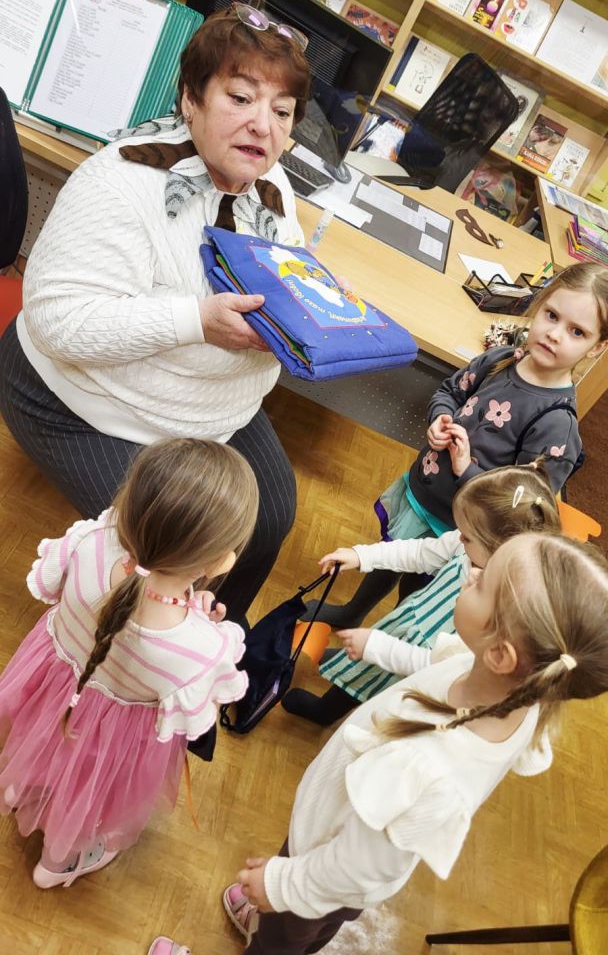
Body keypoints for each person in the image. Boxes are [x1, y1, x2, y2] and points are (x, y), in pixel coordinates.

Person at [150, 532, 608, 955]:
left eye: (483, 582)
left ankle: (272, 932)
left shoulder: (428, 772)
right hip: (336, 837)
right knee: (299, 928)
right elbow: (432, 664)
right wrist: (379, 648)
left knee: (282, 942)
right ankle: (275, 925)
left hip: (328, 867)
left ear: (501, 654)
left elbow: (356, 868)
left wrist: (283, 885)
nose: (471, 572)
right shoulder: (519, 693)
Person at [0, 4, 311, 623]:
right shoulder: (122, 180)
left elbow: (283, 275)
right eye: (241, 98)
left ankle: (212, 644)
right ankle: (139, 659)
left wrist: (317, 302)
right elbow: (60, 319)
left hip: (208, 405)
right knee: (177, 548)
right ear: (191, 98)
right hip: (85, 403)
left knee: (271, 515)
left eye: (282, 112)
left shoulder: (274, 190)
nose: (263, 125)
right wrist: (196, 321)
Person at [0, 437, 258, 889]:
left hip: (51, 691)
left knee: (41, 741)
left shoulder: (90, 541)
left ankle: (20, 784)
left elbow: (98, 595)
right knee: (88, 791)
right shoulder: (203, 651)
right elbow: (195, 716)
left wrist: (189, 605)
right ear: (220, 561)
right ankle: (57, 863)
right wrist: (198, 620)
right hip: (108, 737)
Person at [303, 261, 608, 630]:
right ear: (538, 306)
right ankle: (354, 611)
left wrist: (467, 469)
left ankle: (392, 639)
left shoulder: (556, 425)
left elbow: (522, 510)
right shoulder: (500, 359)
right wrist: (440, 417)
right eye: (552, 315)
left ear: (596, 347)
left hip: (461, 530)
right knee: (392, 555)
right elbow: (449, 392)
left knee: (417, 597)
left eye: (577, 331)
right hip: (425, 493)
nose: (555, 334)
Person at [283, 461, 561, 725]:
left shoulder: (502, 615)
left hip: (416, 676)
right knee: (365, 674)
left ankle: (332, 712)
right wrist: (361, 556)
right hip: (400, 636)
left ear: (499, 548)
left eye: (467, 536)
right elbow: (418, 552)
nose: (458, 537)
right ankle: (337, 691)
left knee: (380, 705)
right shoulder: (466, 546)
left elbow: (439, 668)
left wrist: (376, 649)